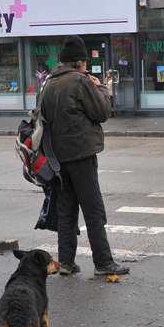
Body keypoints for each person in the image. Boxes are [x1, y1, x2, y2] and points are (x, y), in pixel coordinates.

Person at [40, 36, 130, 277]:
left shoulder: (49, 83)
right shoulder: (80, 82)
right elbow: (102, 113)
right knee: (93, 209)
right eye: (85, 63)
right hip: (81, 155)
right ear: (80, 63)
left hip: (57, 159)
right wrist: (102, 88)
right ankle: (103, 261)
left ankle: (67, 263)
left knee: (67, 209)